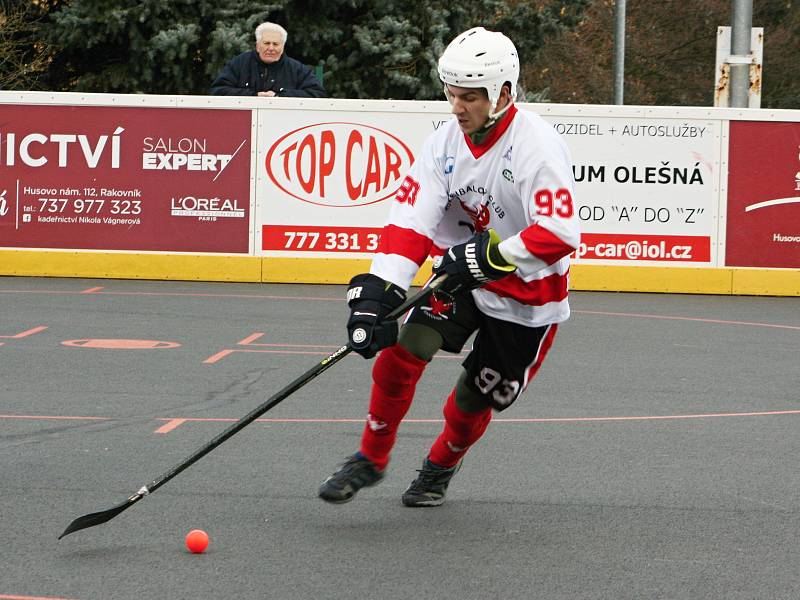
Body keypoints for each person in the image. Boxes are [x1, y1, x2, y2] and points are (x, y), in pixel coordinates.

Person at [318, 27, 581, 507]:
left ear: (504, 93)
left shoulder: (536, 146)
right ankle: (371, 458)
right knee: (401, 355)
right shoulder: (445, 142)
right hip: (464, 277)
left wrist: (491, 257)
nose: (458, 108)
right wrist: (381, 291)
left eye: (471, 97)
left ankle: (441, 464)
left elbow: (561, 232)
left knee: (468, 402)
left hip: (527, 299)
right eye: (452, 95)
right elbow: (411, 220)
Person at [210, 22, 326, 98]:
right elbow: (218, 90)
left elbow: (317, 93)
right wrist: (254, 95)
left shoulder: (297, 69)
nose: (271, 48)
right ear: (257, 45)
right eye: (266, 43)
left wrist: (280, 96)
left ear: (282, 47)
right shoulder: (239, 64)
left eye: (275, 44)